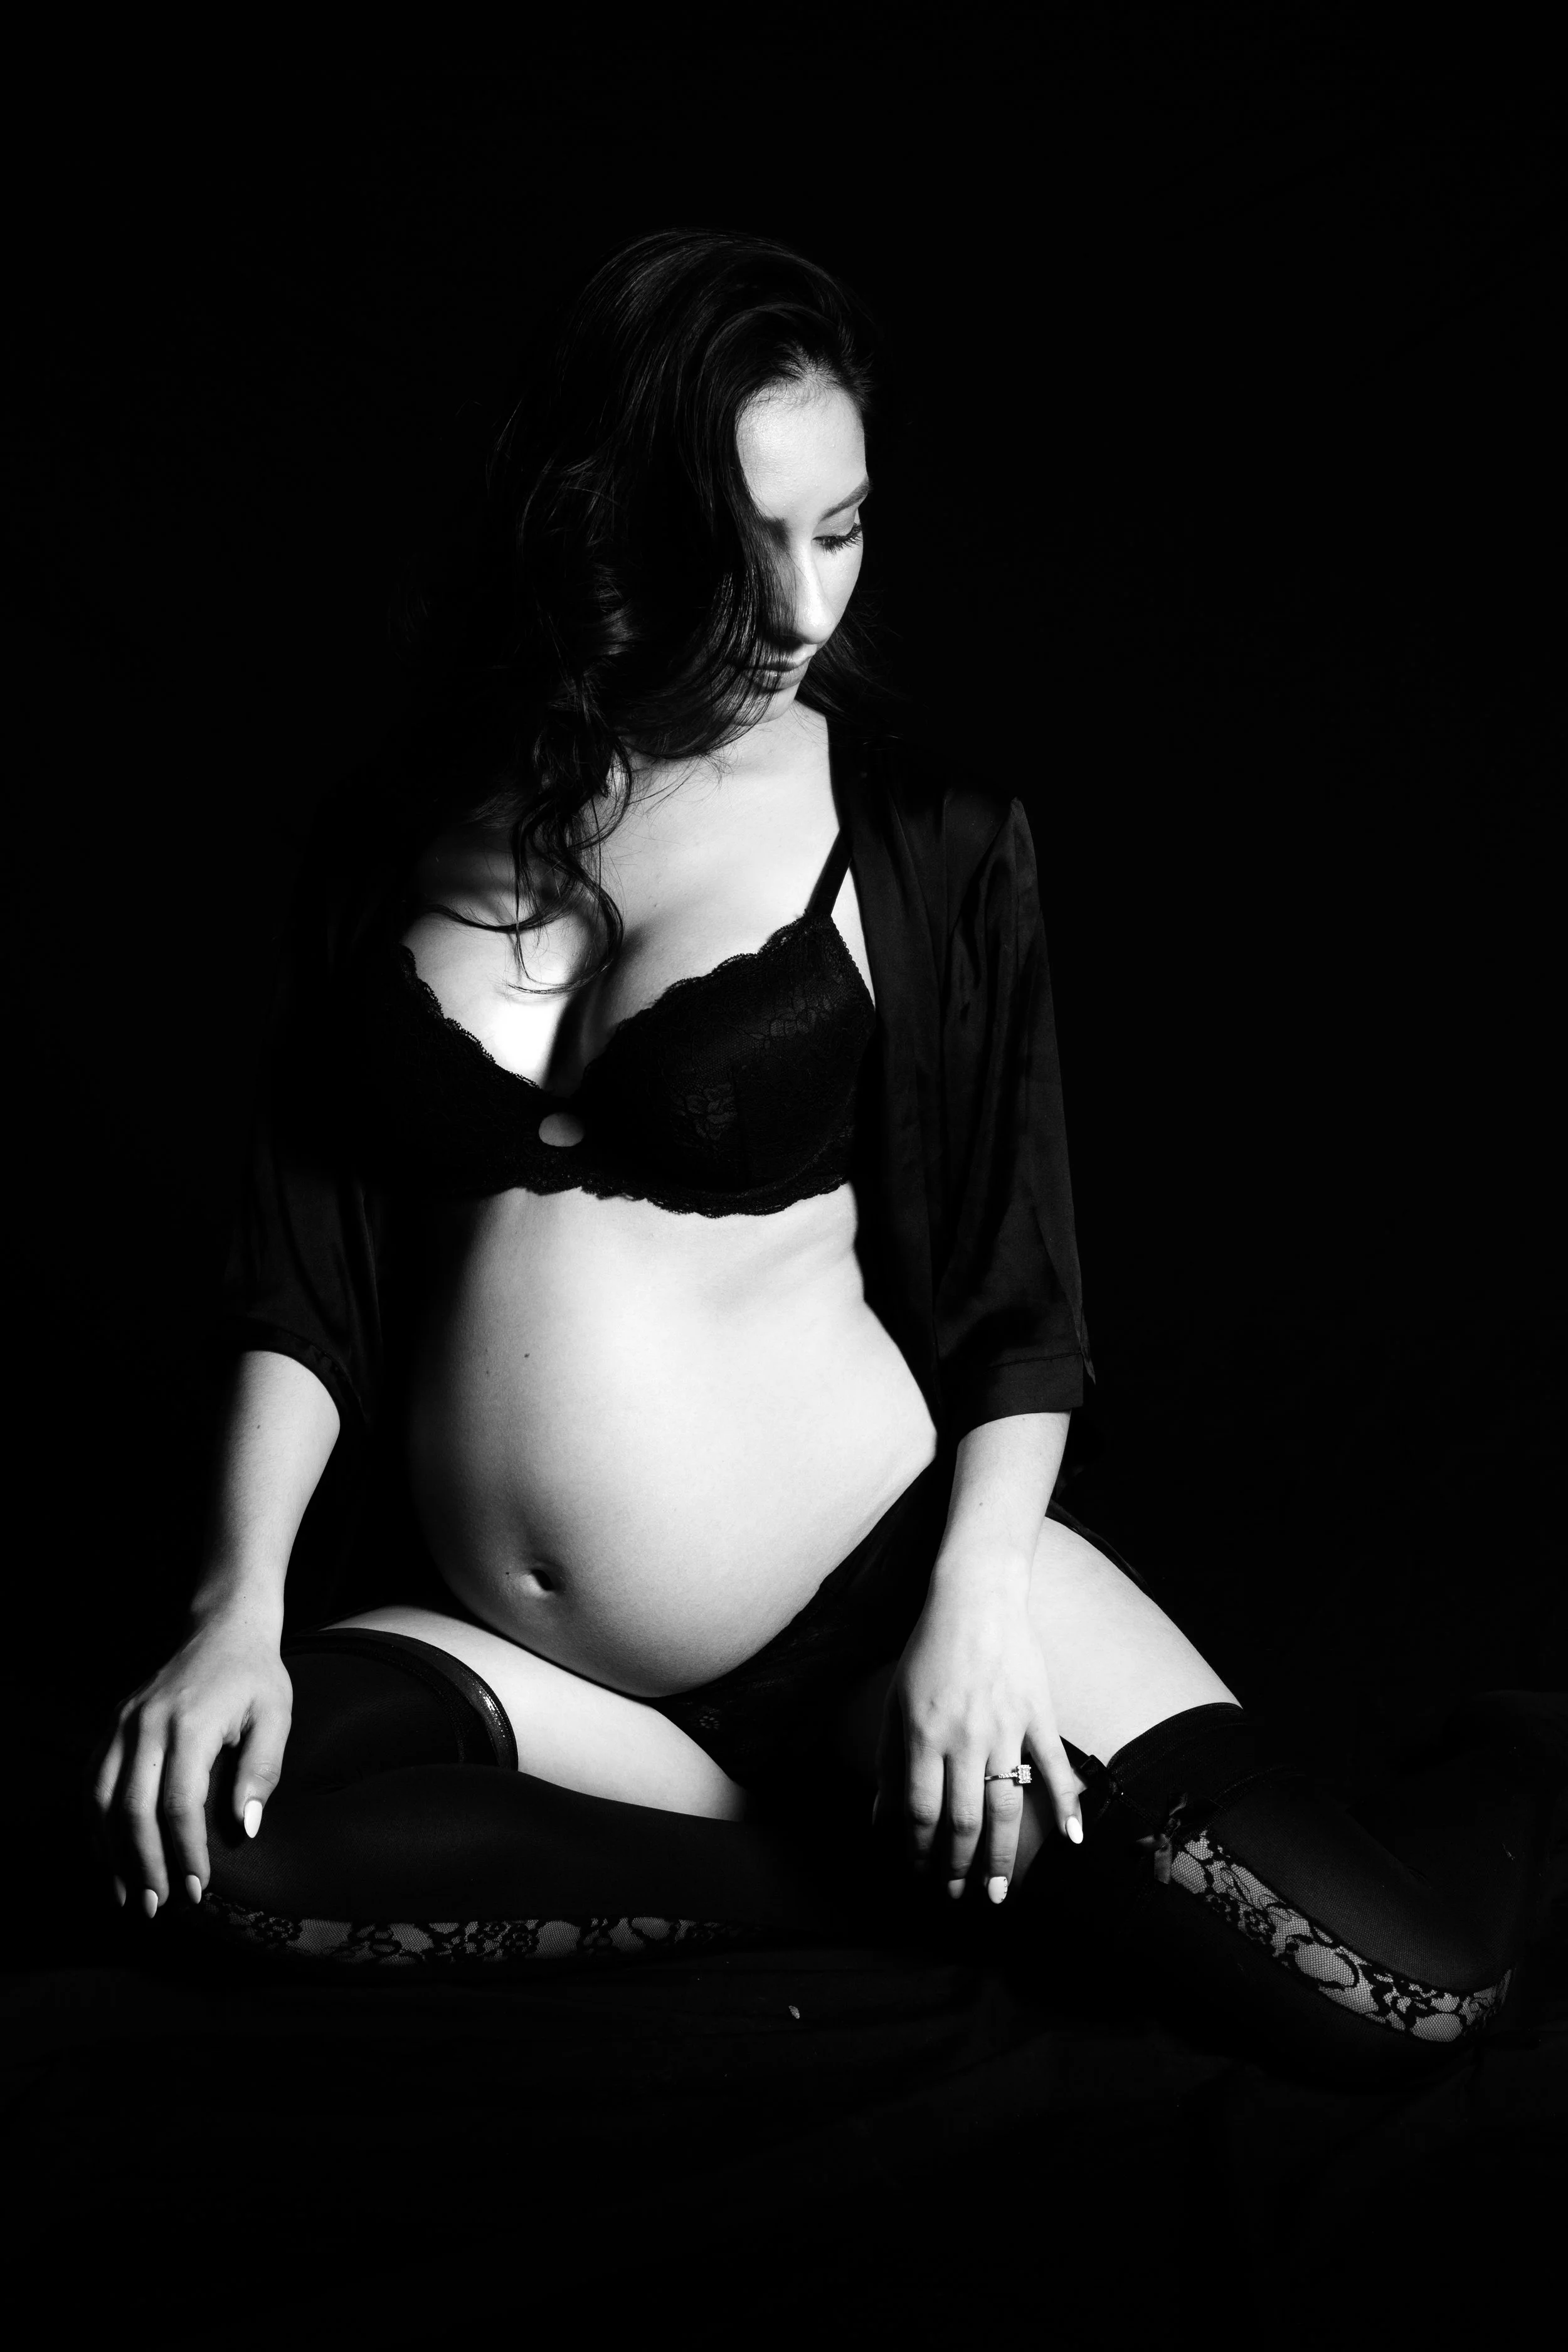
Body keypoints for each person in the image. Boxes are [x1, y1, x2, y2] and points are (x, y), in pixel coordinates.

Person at [93, 228, 1565, 2082]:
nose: (799, 609)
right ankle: (841, 1879)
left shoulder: (925, 839)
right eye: (740, 545)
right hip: (532, 1660)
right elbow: (301, 1279)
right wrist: (234, 1612)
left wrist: (970, 1615)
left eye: (841, 527)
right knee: (203, 1863)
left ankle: (1534, 1757)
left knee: (1410, 1992)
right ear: (599, 527)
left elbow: (1021, 1303)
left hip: (876, 1591)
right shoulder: (388, 835)